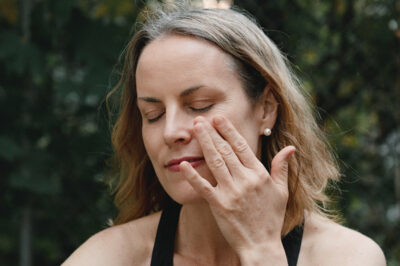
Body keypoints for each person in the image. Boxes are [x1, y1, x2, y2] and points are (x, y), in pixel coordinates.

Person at [63, 5, 386, 266]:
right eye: (154, 114)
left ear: (266, 109)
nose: (171, 131)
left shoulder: (346, 257)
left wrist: (261, 251)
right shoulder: (114, 256)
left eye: (199, 106)